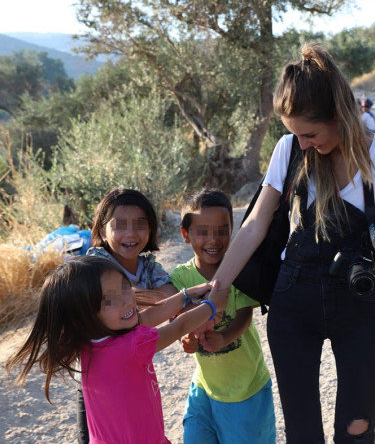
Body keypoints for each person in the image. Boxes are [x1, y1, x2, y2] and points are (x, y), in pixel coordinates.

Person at [202, 43, 375, 443]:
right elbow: (255, 225)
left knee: (357, 429)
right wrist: (217, 290)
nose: (302, 144)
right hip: (293, 300)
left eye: (309, 133)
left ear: (338, 116)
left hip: (359, 307)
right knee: (303, 432)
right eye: (295, 134)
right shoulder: (289, 148)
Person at [5, 256, 228, 443]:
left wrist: (186, 295)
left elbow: (147, 316)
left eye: (124, 287)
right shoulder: (130, 348)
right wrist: (211, 306)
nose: (127, 300)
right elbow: (178, 326)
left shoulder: (90, 341)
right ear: (84, 316)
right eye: (109, 301)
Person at [170, 188, 276, 443]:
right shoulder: (180, 278)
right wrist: (185, 338)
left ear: (232, 231)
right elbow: (176, 319)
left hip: (245, 389)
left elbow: (244, 317)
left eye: (221, 230)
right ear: (186, 235)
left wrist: (225, 336)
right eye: (202, 232)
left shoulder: (240, 270)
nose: (213, 239)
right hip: (204, 389)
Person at [77, 187, 180, 442]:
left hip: (131, 365)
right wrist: (156, 303)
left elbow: (170, 297)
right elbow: (165, 302)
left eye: (140, 225)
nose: (131, 233)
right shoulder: (97, 264)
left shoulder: (148, 264)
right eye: (120, 225)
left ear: (152, 229)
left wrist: (160, 303)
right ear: (102, 230)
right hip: (100, 373)